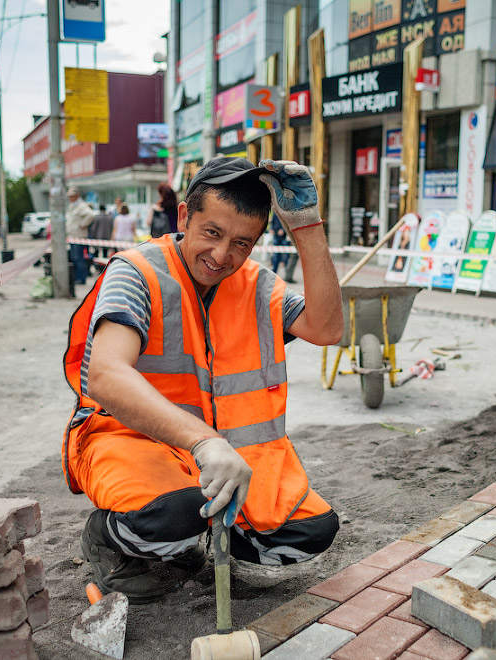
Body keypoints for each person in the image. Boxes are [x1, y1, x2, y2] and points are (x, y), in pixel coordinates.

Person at [62, 157, 343, 603]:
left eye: (241, 243)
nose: (221, 256)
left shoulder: (256, 284)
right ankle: (108, 535)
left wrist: (308, 228)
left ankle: (200, 543)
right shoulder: (136, 271)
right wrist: (204, 443)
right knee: (173, 516)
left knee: (310, 531)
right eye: (211, 233)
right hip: (133, 441)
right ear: (184, 217)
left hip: (224, 454)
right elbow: (105, 374)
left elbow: (327, 329)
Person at [66, 187, 96, 286]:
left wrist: (83, 224)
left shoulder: (81, 206)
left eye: (72, 196)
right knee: (75, 258)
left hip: (79, 237)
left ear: (76, 196)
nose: (70, 198)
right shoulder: (72, 206)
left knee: (79, 258)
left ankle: (81, 278)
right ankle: (77, 277)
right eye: (69, 196)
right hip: (73, 236)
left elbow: (91, 215)